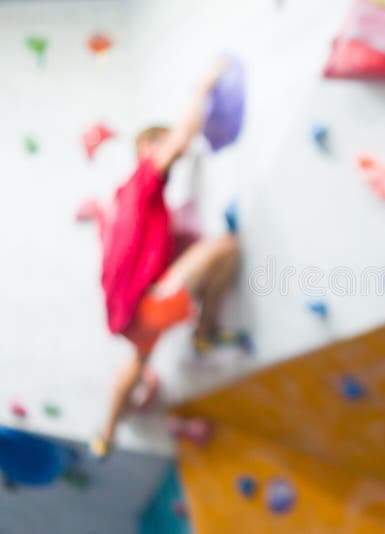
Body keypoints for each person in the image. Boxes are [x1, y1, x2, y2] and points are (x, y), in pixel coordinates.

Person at [89, 61, 240, 458]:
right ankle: (205, 332)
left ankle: (105, 434)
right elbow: (182, 136)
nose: (172, 146)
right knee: (226, 249)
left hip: (135, 315)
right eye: (161, 141)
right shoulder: (142, 179)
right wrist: (203, 87)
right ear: (146, 148)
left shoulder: (126, 198)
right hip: (150, 302)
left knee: (137, 365)